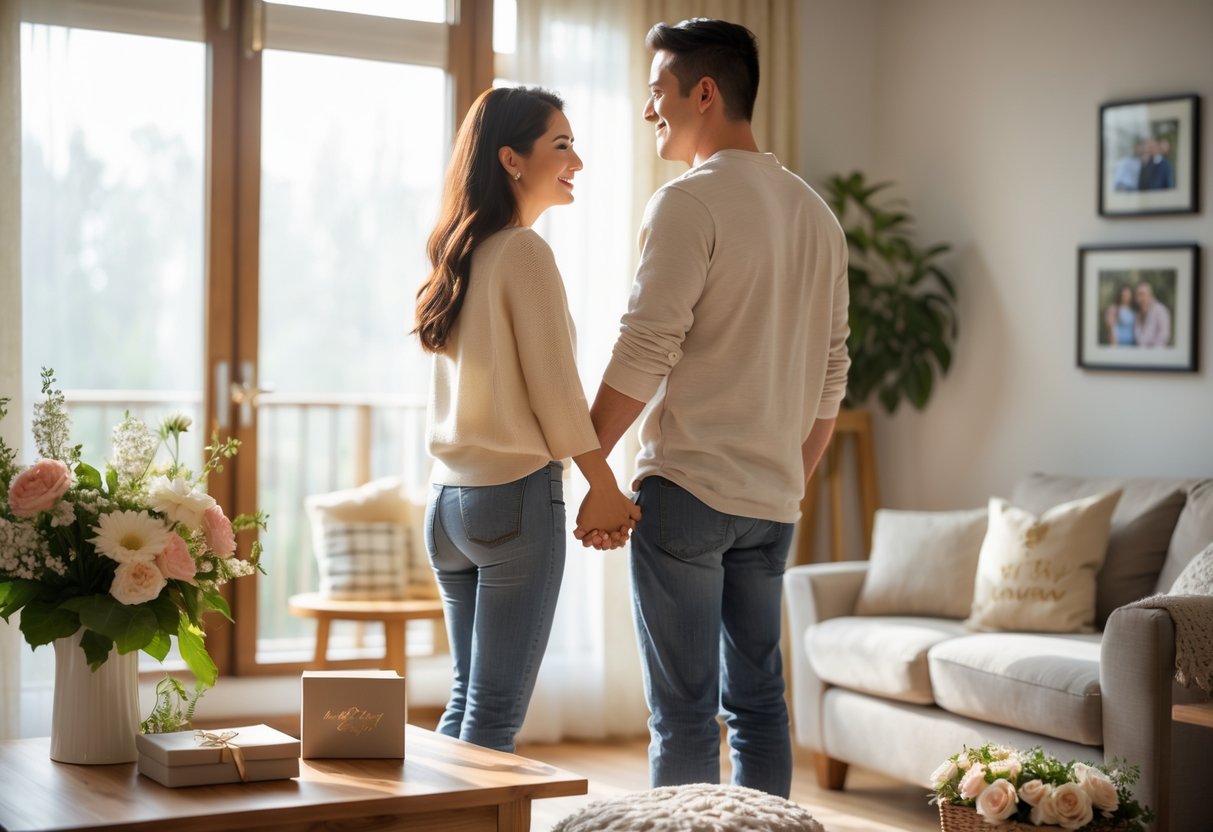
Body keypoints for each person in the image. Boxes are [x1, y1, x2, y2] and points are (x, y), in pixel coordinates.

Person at [576, 18, 850, 798]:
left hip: (689, 494)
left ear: (703, 91)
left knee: (684, 713)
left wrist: (590, 466)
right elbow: (833, 371)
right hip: (771, 505)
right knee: (760, 705)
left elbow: (643, 348)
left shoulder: (687, 203)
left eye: (656, 91)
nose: (646, 110)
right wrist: (787, 476)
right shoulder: (816, 216)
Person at [414, 86, 640, 753]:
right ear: (511, 160)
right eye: (561, 145)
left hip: (448, 507)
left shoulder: (459, 254)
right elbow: (556, 391)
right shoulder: (523, 253)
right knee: (493, 715)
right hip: (511, 503)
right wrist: (602, 483)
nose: (578, 160)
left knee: (466, 702)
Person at [1133, 281, 1172, 347]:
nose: (1140, 298)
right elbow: (1138, 339)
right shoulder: (1138, 315)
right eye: (1137, 295)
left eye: (1142, 294)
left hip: (1156, 354)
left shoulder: (1160, 310)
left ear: (1150, 295)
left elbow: (1164, 336)